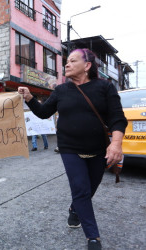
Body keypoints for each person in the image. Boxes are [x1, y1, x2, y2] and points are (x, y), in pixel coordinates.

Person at [18, 48, 127, 250]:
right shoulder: (61, 90)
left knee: (89, 189)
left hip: (99, 149)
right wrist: (29, 97)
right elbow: (43, 113)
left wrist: (116, 143)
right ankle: (93, 238)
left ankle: (74, 209)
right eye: (66, 62)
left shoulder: (105, 87)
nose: (66, 64)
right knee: (81, 189)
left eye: (72, 61)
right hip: (69, 148)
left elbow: (117, 117)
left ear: (87, 66)